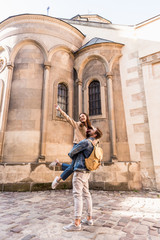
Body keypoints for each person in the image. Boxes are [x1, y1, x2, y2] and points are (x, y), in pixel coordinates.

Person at [62, 127, 103, 231]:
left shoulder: (85, 142)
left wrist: (74, 155)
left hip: (79, 171)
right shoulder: (95, 144)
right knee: (87, 195)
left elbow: (71, 153)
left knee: (77, 195)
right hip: (87, 172)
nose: (90, 129)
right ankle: (89, 218)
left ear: (95, 134)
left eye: (93, 129)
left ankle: (76, 223)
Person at [49, 105, 95, 188]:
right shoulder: (77, 125)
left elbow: (96, 137)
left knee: (75, 167)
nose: (81, 118)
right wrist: (60, 110)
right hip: (77, 147)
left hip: (85, 149)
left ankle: (59, 164)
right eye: (80, 117)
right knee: (75, 167)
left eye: (83, 116)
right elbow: (68, 118)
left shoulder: (91, 128)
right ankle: (58, 179)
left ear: (86, 117)